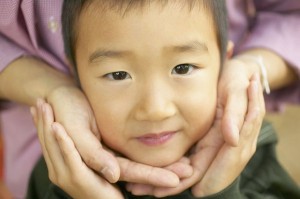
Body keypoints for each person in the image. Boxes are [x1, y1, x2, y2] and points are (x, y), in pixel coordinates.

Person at [0, 0, 300, 198]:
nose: (155, 109)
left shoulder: (249, 154)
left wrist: (220, 192)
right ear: (74, 72)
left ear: (224, 60)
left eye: (182, 68)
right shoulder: (59, 174)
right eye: (118, 75)